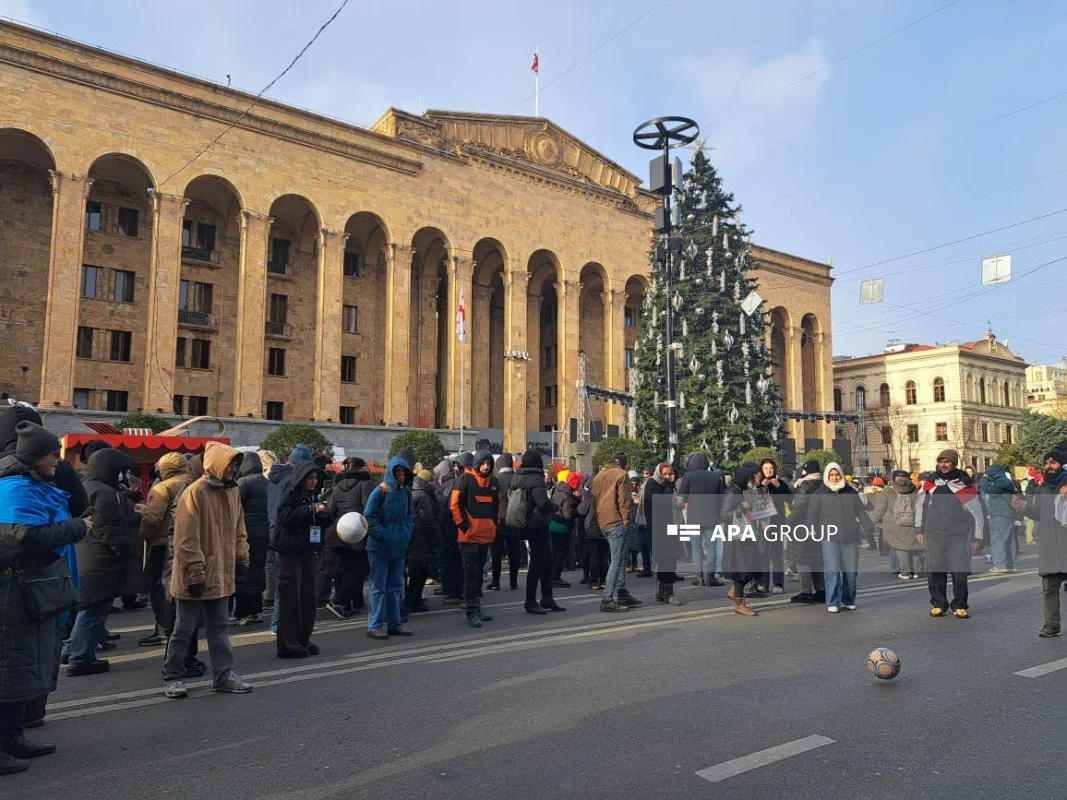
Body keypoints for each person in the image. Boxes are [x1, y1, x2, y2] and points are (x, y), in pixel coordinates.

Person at [0, 421, 90, 774]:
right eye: (54, 453)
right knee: (9, 669)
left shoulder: (34, 485)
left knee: (22, 669)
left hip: (30, 590)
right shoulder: (15, 489)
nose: (59, 460)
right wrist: (77, 528)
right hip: (13, 592)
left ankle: (12, 737)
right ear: (35, 455)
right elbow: (23, 537)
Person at [161, 441, 253, 698]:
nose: (234, 469)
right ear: (217, 463)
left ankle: (224, 675)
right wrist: (195, 571)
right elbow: (185, 538)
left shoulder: (232, 492)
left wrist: (241, 559)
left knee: (220, 627)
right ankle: (173, 676)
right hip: (196, 574)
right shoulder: (194, 492)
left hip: (222, 573)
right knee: (184, 629)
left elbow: (239, 530)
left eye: (236, 464)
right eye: (231, 464)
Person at [67, 448, 141, 676]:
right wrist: (125, 549)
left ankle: (72, 649)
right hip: (101, 561)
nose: (125, 476)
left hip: (84, 556)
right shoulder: (106, 494)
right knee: (94, 611)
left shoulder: (86, 488)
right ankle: (80, 658)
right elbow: (110, 530)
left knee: (86, 608)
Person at [918, 449, 984, 619]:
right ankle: (939, 603)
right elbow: (921, 507)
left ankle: (960, 604)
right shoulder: (931, 483)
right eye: (941, 461)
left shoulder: (964, 483)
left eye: (947, 461)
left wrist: (978, 537)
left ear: (954, 463)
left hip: (957, 533)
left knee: (959, 571)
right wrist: (919, 529)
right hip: (933, 532)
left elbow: (977, 512)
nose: (943, 465)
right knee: (935, 570)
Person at [274, 460, 328, 658]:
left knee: (307, 597)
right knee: (291, 598)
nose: (313, 482)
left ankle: (303, 638)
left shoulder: (312, 496)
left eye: (316, 478)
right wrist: (311, 510)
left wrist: (324, 516)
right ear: (301, 478)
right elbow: (284, 518)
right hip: (291, 551)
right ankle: (288, 644)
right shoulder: (291, 495)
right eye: (310, 478)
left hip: (308, 550)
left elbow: (316, 522)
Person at [137, 453, 192, 644]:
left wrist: (142, 534)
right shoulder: (195, 483)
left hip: (162, 543)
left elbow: (153, 518)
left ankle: (163, 628)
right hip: (187, 542)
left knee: (160, 587)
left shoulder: (163, 487)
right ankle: (177, 626)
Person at [811, 462, 874, 613]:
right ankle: (832, 601)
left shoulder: (850, 492)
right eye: (831, 475)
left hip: (850, 536)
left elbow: (860, 512)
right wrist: (812, 530)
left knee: (851, 571)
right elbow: (812, 514)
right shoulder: (820, 493)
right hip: (829, 537)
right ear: (827, 476)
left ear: (841, 475)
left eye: (837, 474)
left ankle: (848, 599)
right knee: (832, 570)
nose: (834, 478)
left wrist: (868, 526)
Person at [364, 456, 415, 639]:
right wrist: (385, 535)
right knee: (378, 587)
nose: (400, 476)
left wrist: (406, 533)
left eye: (403, 473)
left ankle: (395, 622)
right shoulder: (380, 491)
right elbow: (369, 518)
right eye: (398, 473)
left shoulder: (406, 492)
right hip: (380, 546)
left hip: (398, 544)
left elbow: (410, 516)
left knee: (395, 586)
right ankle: (375, 625)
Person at [503, 449, 559, 614]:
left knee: (545, 560)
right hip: (537, 525)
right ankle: (531, 600)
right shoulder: (536, 477)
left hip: (524, 522)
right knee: (539, 563)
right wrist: (555, 507)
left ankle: (547, 598)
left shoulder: (516, 476)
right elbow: (542, 502)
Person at [265, 445, 314, 634]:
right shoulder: (292, 481)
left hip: (273, 532)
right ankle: (280, 624)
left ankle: (279, 623)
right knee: (290, 584)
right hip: (289, 535)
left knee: (282, 581)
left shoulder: (273, 479)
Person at [451, 450, 499, 628]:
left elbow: (497, 506)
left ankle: (477, 608)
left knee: (479, 576)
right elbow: (454, 504)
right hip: (469, 537)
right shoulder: (464, 479)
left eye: (488, 463)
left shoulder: (493, 482)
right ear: (477, 463)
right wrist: (464, 526)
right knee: (471, 575)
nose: (486, 466)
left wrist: (494, 525)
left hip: (485, 536)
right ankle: (472, 611)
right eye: (483, 463)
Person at [324, 457, 375, 618]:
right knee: (359, 568)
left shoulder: (338, 485)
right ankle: (340, 601)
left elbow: (331, 509)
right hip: (358, 529)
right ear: (360, 468)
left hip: (341, 530)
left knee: (346, 567)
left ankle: (351, 602)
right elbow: (369, 507)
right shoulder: (365, 484)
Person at [1025, 447, 1067, 637]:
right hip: (1050, 543)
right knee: (1049, 587)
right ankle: (1051, 624)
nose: (1049, 466)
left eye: (1053, 462)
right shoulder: (1043, 488)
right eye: (1047, 463)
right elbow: (1038, 514)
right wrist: (1022, 508)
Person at [593, 452, 642, 612]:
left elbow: (595, 499)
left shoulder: (599, 475)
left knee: (619, 558)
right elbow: (624, 500)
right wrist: (626, 519)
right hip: (617, 521)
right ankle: (608, 597)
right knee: (616, 560)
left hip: (603, 520)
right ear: (624, 464)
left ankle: (622, 592)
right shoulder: (621, 475)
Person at [676, 452, 726, 587]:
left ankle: (699, 576)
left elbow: (681, 499)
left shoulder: (689, 476)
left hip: (693, 517)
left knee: (696, 547)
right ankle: (711, 576)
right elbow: (722, 498)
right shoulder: (716, 477)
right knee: (711, 547)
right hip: (712, 517)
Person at [233, 451, 269, 625]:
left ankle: (243, 613)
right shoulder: (266, 482)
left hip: (246, 533)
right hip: (263, 533)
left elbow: (234, 510)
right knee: (258, 571)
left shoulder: (242, 483)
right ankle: (257, 611)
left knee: (244, 572)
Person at [721, 464, 761, 616]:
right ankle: (739, 603)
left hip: (748, 532)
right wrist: (741, 508)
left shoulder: (745, 492)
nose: (753, 481)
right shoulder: (733, 492)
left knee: (752, 565)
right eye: (751, 479)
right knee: (742, 568)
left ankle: (735, 591)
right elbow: (724, 514)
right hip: (737, 536)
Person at [870, 470, 923, 580]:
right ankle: (916, 571)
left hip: (897, 525)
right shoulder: (915, 490)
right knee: (915, 548)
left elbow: (879, 510)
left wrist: (869, 523)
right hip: (914, 524)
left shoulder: (888, 491)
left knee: (901, 548)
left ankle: (905, 572)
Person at [786, 459, 825, 605]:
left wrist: (789, 524)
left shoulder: (805, 486)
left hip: (803, 527)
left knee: (802, 559)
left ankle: (806, 592)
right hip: (820, 527)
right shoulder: (823, 484)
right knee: (816, 559)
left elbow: (799, 507)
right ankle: (821, 590)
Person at [644, 462, 682, 607]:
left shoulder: (668, 486)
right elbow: (661, 503)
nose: (668, 476)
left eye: (670, 473)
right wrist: (668, 486)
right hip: (658, 528)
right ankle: (668, 593)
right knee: (667, 560)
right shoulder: (653, 485)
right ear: (659, 473)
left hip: (669, 527)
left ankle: (661, 592)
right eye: (665, 474)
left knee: (667, 560)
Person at [755, 458, 791, 593]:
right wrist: (761, 487)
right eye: (766, 468)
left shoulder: (780, 483)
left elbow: (790, 499)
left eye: (771, 468)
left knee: (777, 554)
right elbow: (751, 501)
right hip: (763, 523)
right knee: (763, 553)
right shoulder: (759, 484)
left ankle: (778, 583)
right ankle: (763, 582)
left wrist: (779, 487)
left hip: (777, 522)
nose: (769, 471)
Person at [408, 469, 440, 613]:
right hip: (421, 538)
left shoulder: (413, 491)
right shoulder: (423, 495)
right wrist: (438, 536)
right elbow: (429, 519)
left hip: (413, 537)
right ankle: (414, 601)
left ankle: (412, 599)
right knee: (420, 571)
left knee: (415, 570)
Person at [489, 452, 523, 591]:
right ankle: (513, 582)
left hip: (499, 520)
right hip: (515, 519)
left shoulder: (495, 479)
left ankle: (495, 582)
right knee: (514, 552)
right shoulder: (517, 478)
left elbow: (492, 501)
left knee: (497, 553)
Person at [434, 455, 464, 605]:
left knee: (449, 560)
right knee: (457, 560)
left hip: (449, 528)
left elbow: (443, 510)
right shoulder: (458, 483)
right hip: (458, 528)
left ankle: (452, 589)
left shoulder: (443, 488)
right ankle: (454, 588)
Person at [981, 463, 1020, 574]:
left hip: (1000, 513)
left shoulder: (1000, 482)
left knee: (998, 538)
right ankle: (1010, 564)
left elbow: (991, 492)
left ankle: (1000, 564)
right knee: (1009, 539)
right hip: (1008, 513)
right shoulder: (1006, 480)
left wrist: (983, 480)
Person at [549, 471, 581, 588]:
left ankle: (551, 576)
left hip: (553, 525)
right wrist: (578, 511)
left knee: (554, 553)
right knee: (560, 554)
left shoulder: (558, 490)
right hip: (562, 528)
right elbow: (568, 515)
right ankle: (555, 577)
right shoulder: (568, 497)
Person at [578, 474, 608, 590]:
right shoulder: (606, 499)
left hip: (592, 530)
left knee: (594, 556)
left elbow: (580, 510)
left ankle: (594, 581)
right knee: (604, 557)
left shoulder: (590, 500)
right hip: (605, 529)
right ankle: (604, 580)